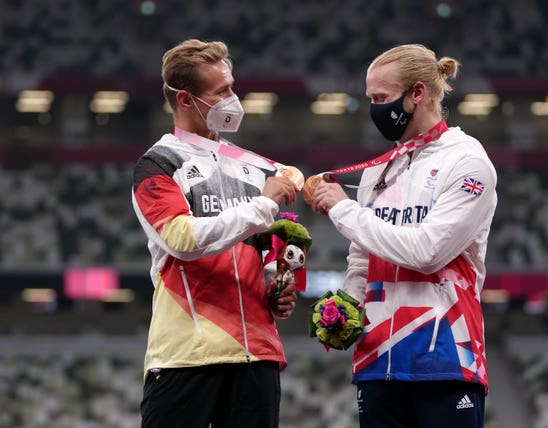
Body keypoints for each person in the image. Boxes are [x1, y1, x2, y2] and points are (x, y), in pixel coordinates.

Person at [311, 44, 497, 428]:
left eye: (381, 98)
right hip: (377, 361)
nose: (375, 108)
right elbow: (362, 259)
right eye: (371, 98)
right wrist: (343, 307)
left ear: (417, 93)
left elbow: (427, 252)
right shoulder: (376, 172)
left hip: (445, 359)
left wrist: (340, 209)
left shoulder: (467, 162)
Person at [132, 39, 299, 428]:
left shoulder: (250, 167)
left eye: (232, 87)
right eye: (221, 92)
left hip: (257, 354)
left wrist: (274, 283)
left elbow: (259, 250)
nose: (233, 99)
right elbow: (182, 240)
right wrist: (265, 204)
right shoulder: (158, 164)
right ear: (186, 99)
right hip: (187, 356)